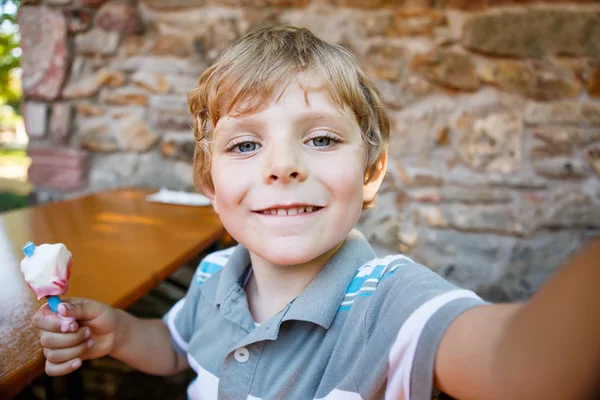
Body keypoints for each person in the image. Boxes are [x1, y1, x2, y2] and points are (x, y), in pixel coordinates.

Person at [32, 25, 600, 400]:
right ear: (210, 183)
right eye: (245, 145)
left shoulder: (391, 304)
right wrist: (119, 334)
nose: (282, 166)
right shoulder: (212, 279)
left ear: (371, 172)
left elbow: (515, 363)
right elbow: (177, 348)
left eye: (322, 139)